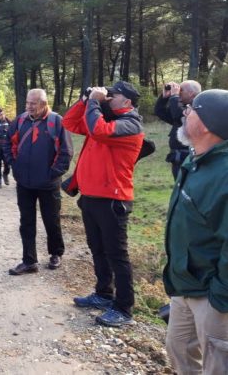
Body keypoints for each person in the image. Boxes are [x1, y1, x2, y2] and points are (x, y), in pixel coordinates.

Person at [62, 81, 144, 327]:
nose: (108, 97)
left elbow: (98, 130)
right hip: (91, 197)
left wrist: (96, 102)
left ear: (127, 102)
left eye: (113, 95)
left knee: (117, 255)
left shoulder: (130, 124)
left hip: (113, 200)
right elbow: (69, 122)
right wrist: (85, 100)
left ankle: (124, 308)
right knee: (97, 249)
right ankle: (103, 293)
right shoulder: (103, 118)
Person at [163, 89, 228, 375]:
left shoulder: (224, 172)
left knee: (217, 366)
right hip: (184, 286)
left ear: (206, 124)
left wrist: (220, 296)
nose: (184, 114)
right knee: (178, 350)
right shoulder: (196, 158)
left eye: (191, 110)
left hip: (213, 296)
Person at [4, 89, 72, 275]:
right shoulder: (20, 120)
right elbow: (8, 143)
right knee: (26, 222)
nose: (29, 107)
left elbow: (66, 152)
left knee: (52, 221)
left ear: (43, 103)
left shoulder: (56, 121)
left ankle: (56, 253)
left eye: (33, 103)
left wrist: (52, 174)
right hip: (24, 182)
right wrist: (14, 164)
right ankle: (29, 261)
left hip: (48, 184)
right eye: (27, 103)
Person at [154, 79, 201, 179]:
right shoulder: (182, 107)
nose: (178, 92)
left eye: (181, 90)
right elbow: (160, 112)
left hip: (190, 158)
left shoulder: (198, 109)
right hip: (178, 158)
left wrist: (174, 97)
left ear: (191, 93)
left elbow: (179, 116)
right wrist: (164, 98)